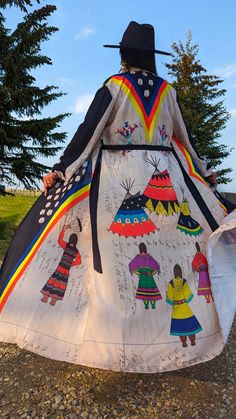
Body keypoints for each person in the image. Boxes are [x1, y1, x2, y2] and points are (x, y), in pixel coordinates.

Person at [0, 21, 235, 373]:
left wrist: (63, 169)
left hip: (119, 178)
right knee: (179, 252)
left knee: (115, 258)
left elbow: (88, 133)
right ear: (151, 56)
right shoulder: (167, 91)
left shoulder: (115, 87)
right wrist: (201, 170)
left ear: (124, 55)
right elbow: (185, 138)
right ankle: (176, 338)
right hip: (165, 184)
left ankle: (120, 340)